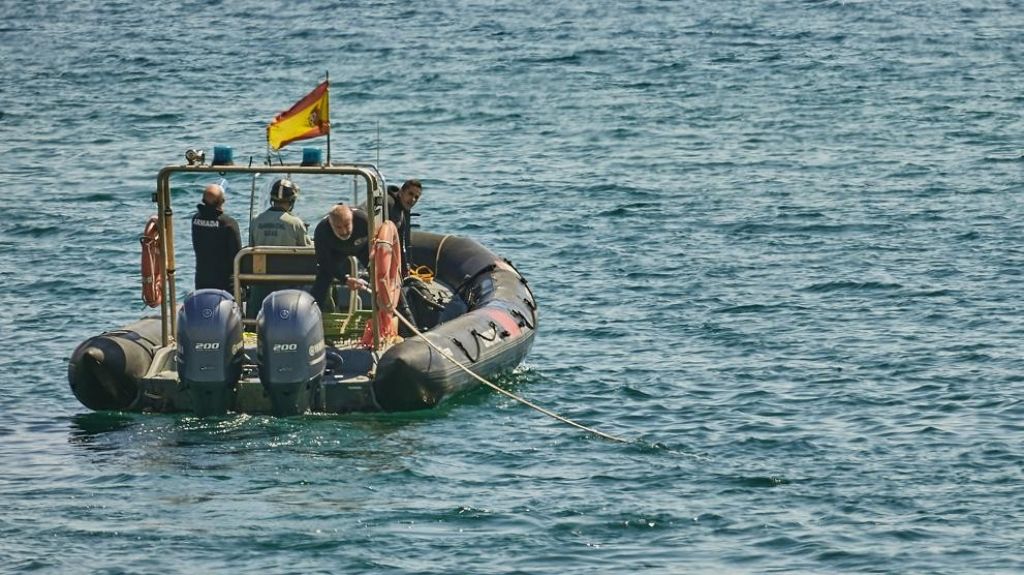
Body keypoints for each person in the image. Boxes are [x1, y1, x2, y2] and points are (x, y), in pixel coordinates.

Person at [310, 204, 370, 312]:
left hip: (362, 248)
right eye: (338, 227)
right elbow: (324, 261)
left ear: (352, 219)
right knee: (323, 278)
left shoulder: (363, 220)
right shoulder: (322, 230)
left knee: (380, 273)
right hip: (337, 251)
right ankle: (313, 312)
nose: (344, 231)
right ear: (331, 224)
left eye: (347, 225)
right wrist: (345, 279)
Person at [191, 182, 242, 293]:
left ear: (203, 200)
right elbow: (237, 257)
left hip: (201, 283)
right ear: (222, 201)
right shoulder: (229, 223)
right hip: (226, 286)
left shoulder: (195, 220)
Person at [250, 178, 310, 247]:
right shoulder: (296, 224)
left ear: (272, 199)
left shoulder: (255, 221)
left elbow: (251, 247)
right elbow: (306, 249)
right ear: (292, 201)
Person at [386, 179, 422, 275]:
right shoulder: (388, 204)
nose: (413, 199)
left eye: (416, 197)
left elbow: (401, 241)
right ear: (401, 192)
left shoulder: (402, 209)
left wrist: (404, 270)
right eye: (410, 194)